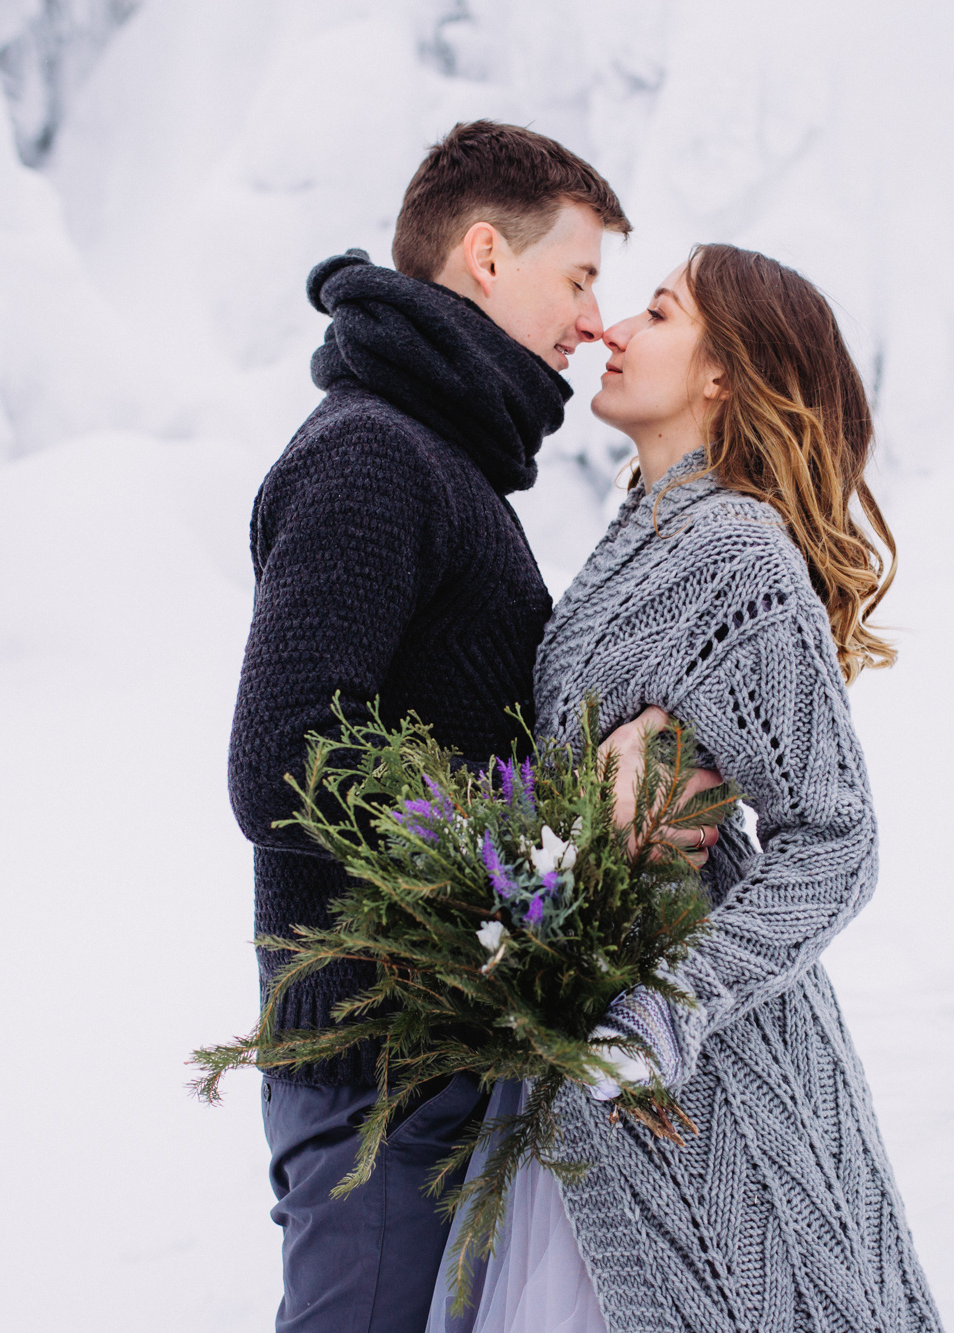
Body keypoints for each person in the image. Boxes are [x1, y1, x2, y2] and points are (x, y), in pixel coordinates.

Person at [226, 121, 718, 1333]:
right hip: (375, 1068)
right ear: (487, 256)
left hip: (433, 1053)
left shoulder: (439, 462)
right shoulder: (371, 456)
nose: (593, 321)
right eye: (580, 277)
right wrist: (551, 820)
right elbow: (281, 756)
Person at [427, 245, 942, 1332]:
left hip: (706, 1079)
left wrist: (674, 1001)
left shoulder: (737, 555)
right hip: (598, 1066)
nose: (612, 329)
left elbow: (836, 837)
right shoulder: (651, 528)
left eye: (657, 314)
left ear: (721, 373)